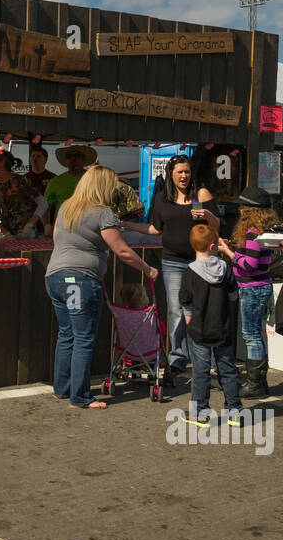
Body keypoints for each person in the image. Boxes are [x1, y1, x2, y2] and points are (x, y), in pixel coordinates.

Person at [45, 165, 160, 409]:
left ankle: (63, 389)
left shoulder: (67, 206)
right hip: (78, 281)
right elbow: (121, 250)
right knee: (84, 337)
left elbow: (57, 239)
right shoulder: (104, 212)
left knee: (67, 334)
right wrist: (147, 269)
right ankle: (80, 397)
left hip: (55, 277)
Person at [127, 154, 220, 379]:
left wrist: (207, 214)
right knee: (176, 310)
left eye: (187, 171)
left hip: (200, 262)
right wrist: (127, 225)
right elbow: (155, 229)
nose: (184, 176)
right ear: (171, 174)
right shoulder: (163, 198)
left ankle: (209, 358)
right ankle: (178, 358)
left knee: (202, 309)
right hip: (172, 262)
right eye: (179, 172)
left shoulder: (199, 195)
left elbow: (216, 227)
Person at [180, 224, 244, 427]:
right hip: (222, 326)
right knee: (227, 369)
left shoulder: (190, 272)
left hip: (199, 328)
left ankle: (200, 413)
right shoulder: (225, 268)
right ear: (213, 246)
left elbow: (185, 300)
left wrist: (188, 318)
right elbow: (234, 294)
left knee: (200, 370)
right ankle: (235, 411)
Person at [218, 187, 279, 399]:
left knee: (251, 336)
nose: (240, 211)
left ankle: (255, 385)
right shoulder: (262, 230)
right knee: (255, 335)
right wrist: (233, 247)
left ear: (252, 211)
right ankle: (259, 382)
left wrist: (227, 252)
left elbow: (249, 264)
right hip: (259, 287)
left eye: (243, 207)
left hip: (252, 288)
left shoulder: (253, 232)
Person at [0, 147, 48, 237]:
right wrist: (5, 233)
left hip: (27, 236)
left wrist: (30, 225)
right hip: (8, 237)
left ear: (2, 162)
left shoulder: (21, 181)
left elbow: (43, 203)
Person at [43, 145, 95, 222]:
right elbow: (45, 207)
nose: (72, 159)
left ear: (84, 159)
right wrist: (46, 225)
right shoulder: (55, 182)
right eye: (69, 157)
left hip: (90, 227)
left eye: (76, 155)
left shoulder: (95, 179)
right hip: (63, 229)